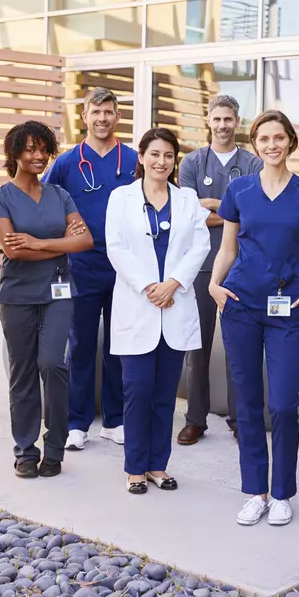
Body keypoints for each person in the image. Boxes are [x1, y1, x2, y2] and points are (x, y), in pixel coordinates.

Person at [208, 110, 299, 527]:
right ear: (255, 144)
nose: (271, 145)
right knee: (247, 403)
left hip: (287, 311)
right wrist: (213, 285)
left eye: (279, 138)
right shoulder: (239, 189)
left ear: (290, 142)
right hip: (240, 306)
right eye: (264, 138)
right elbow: (227, 249)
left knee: (282, 404)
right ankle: (256, 492)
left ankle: (282, 493)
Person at [0, 121, 94, 479]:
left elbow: (85, 241)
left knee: (52, 364)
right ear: (14, 153)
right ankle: (25, 450)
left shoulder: (59, 195)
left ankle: (56, 446)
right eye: (30, 149)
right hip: (17, 297)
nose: (39, 156)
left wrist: (39, 242)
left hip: (59, 292)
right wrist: (60, 243)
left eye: (44, 149)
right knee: (23, 371)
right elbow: (13, 252)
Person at [105, 127, 211, 494]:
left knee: (166, 393)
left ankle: (157, 465)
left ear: (174, 161)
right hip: (139, 304)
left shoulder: (187, 199)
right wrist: (149, 286)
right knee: (137, 389)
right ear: (141, 157)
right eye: (154, 154)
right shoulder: (121, 197)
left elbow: (201, 244)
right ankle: (135, 467)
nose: (161, 161)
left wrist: (175, 283)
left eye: (168, 155)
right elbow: (115, 247)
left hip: (175, 303)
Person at [42, 87, 138, 452]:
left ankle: (114, 420)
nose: (102, 118)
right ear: (84, 116)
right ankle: (77, 422)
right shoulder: (66, 163)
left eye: (108, 112)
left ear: (117, 117)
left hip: (124, 268)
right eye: (95, 112)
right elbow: (47, 205)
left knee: (120, 345)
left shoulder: (132, 160)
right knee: (79, 345)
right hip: (80, 268)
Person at [177, 94, 263, 446]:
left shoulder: (254, 164)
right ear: (208, 121)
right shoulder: (192, 163)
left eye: (229, 119)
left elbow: (254, 214)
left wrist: (212, 204)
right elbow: (187, 213)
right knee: (197, 347)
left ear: (237, 122)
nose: (224, 125)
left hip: (241, 268)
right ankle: (196, 418)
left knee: (237, 348)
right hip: (199, 266)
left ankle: (240, 418)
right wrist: (231, 210)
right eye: (218, 119)